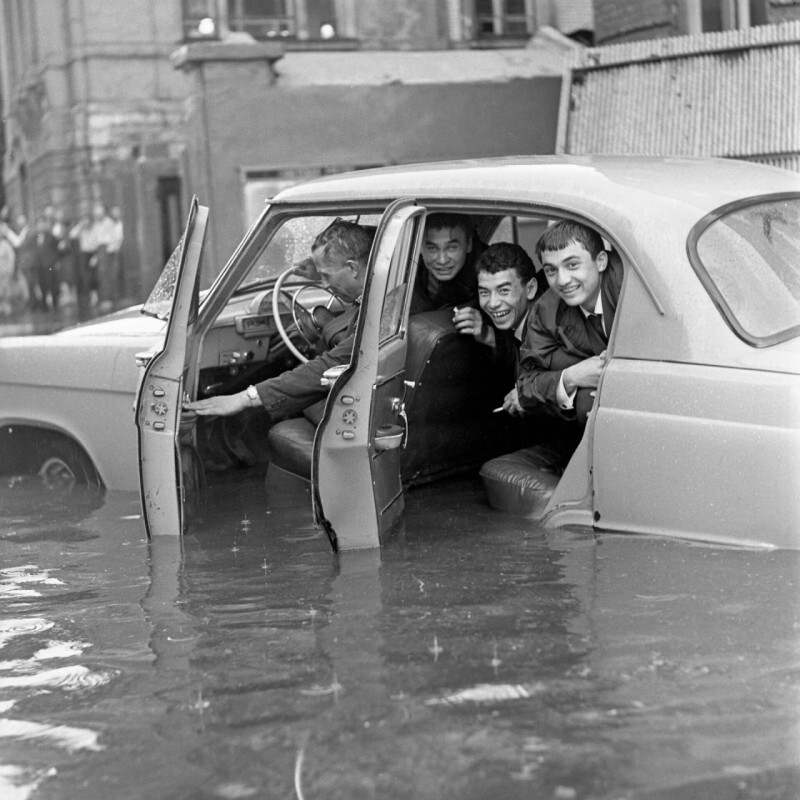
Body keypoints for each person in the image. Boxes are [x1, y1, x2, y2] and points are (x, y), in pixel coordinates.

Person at [184, 219, 374, 423]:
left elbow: (331, 364)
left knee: (269, 418)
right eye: (321, 276)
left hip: (360, 409)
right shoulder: (379, 290)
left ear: (353, 269)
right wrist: (319, 271)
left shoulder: (380, 310)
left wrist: (245, 398)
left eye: (326, 276)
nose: (324, 285)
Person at [517, 220, 623, 427]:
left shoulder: (627, 287)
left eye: (572, 265)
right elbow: (525, 385)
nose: (562, 280)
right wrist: (572, 376)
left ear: (601, 261)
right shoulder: (546, 310)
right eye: (551, 270)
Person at [452, 241, 546, 416]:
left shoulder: (551, 327)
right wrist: (488, 335)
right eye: (484, 292)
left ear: (531, 289)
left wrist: (530, 393)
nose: (493, 303)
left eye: (503, 290)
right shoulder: (518, 321)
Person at [410, 212, 484, 313]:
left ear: (469, 244)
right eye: (432, 248)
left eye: (452, 248)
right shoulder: (402, 274)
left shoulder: (490, 278)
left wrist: (485, 328)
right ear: (418, 247)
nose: (442, 260)